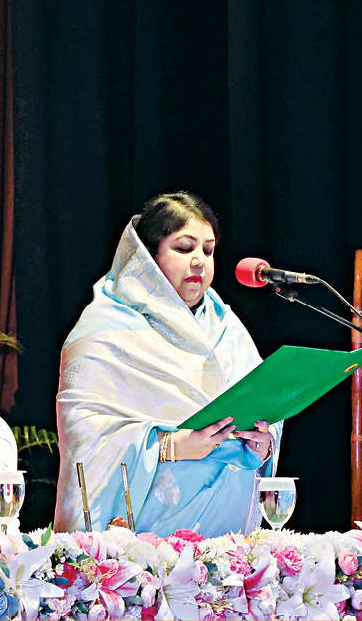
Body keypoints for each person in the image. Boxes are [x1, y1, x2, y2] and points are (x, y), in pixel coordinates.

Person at [54, 192, 280, 538]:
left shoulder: (226, 327)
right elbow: (85, 435)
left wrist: (262, 444)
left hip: (227, 542)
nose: (199, 261)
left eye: (208, 250)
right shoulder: (104, 328)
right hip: (140, 545)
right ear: (148, 256)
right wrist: (170, 446)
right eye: (184, 248)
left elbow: (263, 406)